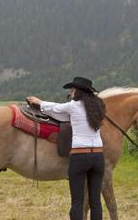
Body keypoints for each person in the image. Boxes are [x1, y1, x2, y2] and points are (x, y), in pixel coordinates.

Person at [27, 77, 105, 220]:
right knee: (95, 201)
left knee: (77, 202)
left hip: (80, 156)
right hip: (98, 157)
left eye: (73, 89)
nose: (71, 92)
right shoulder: (98, 107)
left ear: (78, 91)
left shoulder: (73, 106)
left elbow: (54, 108)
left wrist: (39, 102)